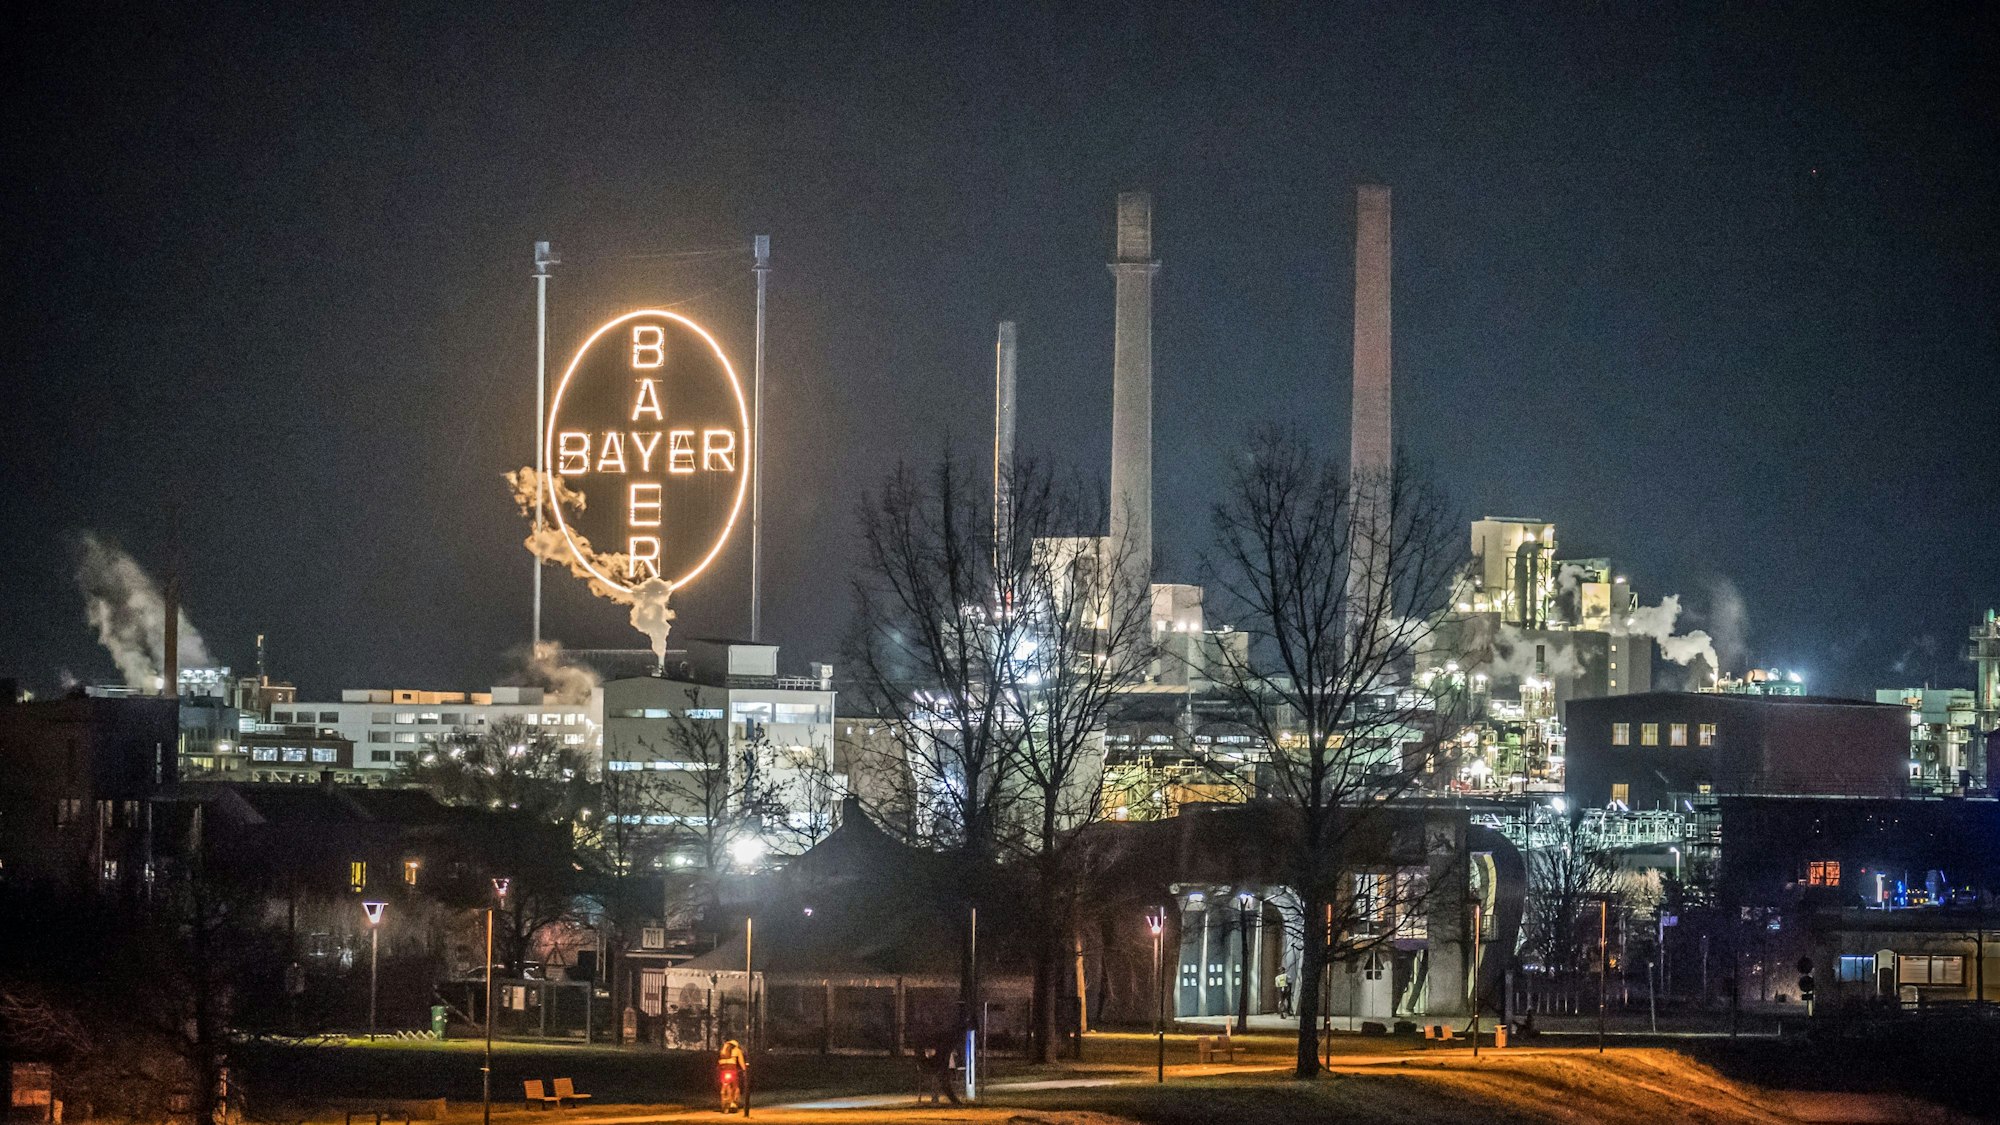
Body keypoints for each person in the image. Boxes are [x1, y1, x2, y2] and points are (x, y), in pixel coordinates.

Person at [915, 1030, 962, 1106]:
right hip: (938, 1067)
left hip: (944, 1067)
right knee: (938, 1081)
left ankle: (942, 1098)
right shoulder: (938, 1047)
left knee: (943, 1081)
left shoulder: (944, 1047)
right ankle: (936, 1098)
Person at [717, 1038, 747, 1113]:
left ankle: (724, 1100)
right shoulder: (737, 1050)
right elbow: (741, 1062)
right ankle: (733, 1102)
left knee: (724, 1083)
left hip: (723, 1069)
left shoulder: (723, 1049)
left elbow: (719, 1060)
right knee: (735, 1085)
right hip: (731, 1068)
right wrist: (744, 1070)